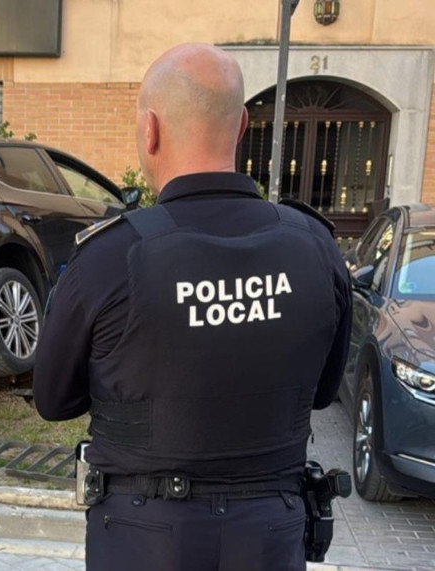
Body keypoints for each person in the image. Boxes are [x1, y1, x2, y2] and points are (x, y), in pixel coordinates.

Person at [32, 43, 352, 571]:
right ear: (243, 124)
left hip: (143, 536)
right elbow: (321, 393)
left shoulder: (110, 257)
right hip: (270, 533)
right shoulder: (316, 248)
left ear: (150, 129)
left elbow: (54, 399)